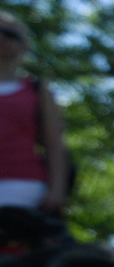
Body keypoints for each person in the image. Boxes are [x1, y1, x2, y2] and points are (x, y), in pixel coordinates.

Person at [0, 11, 68, 214]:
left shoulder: (37, 90)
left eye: (10, 34)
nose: (2, 38)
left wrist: (57, 189)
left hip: (21, 184)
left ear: (23, 45)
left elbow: (54, 144)